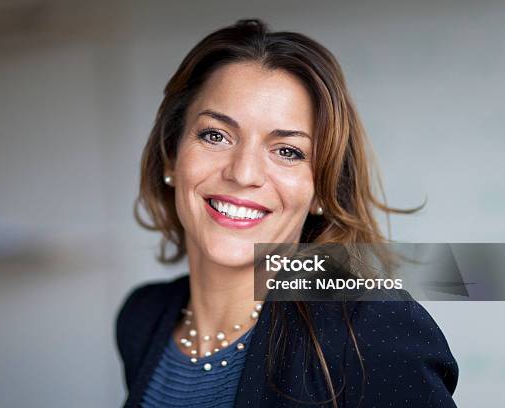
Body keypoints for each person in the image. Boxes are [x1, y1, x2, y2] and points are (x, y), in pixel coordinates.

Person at [115, 18, 459, 407]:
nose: (243, 174)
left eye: (287, 151)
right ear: (171, 156)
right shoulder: (141, 318)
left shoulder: (373, 329)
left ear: (321, 191)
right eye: (215, 135)